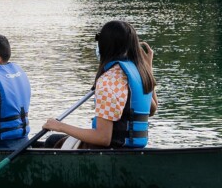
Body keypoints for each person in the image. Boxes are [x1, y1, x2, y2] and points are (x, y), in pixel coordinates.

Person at [43, 20, 156, 149]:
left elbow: (103, 138)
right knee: (56, 140)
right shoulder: (138, 72)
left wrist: (60, 126)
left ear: (105, 46)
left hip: (113, 150)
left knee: (52, 141)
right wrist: (148, 70)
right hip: (133, 147)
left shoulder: (108, 81)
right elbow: (152, 109)